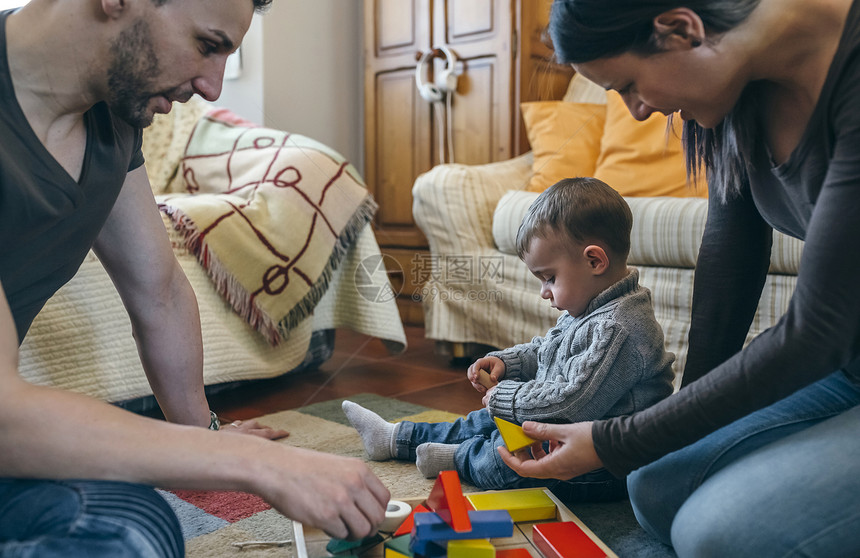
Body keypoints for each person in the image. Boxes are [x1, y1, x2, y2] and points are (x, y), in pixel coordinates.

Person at [0, 0, 389, 555]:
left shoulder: (111, 118)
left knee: (139, 527)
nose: (212, 87)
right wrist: (258, 464)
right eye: (208, 45)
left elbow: (157, 290)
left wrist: (200, 436)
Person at [498, 1, 860, 556]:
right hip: (844, 367)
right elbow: (731, 258)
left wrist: (617, 438)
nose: (637, 112)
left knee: (713, 535)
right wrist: (681, 428)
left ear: (680, 29)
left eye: (628, 85)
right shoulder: (744, 84)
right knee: (655, 483)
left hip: (829, 347)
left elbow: (818, 330)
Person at [343, 177, 675, 502]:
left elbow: (571, 402)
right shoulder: (588, 309)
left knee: (504, 463)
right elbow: (547, 351)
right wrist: (508, 362)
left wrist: (506, 395)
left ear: (594, 261)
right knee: (485, 420)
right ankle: (395, 437)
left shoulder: (619, 328)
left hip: (605, 467)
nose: (544, 292)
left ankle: (459, 459)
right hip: (560, 428)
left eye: (550, 278)